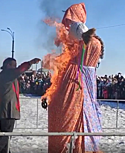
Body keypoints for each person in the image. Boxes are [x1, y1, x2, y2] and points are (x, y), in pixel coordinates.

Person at [41, 3, 104, 153]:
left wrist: (81, 32)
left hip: (77, 84)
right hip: (69, 83)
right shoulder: (74, 48)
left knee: (78, 122)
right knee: (63, 123)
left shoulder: (91, 44)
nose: (67, 28)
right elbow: (56, 74)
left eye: (71, 22)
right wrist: (48, 94)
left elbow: (88, 43)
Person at [0, 57, 41, 153]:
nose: (15, 67)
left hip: (4, 108)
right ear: (8, 65)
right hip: (9, 109)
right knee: (6, 135)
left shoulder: (2, 76)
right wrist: (30, 62)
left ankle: (5, 151)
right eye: (13, 65)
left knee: (5, 134)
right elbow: (20, 70)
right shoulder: (7, 74)